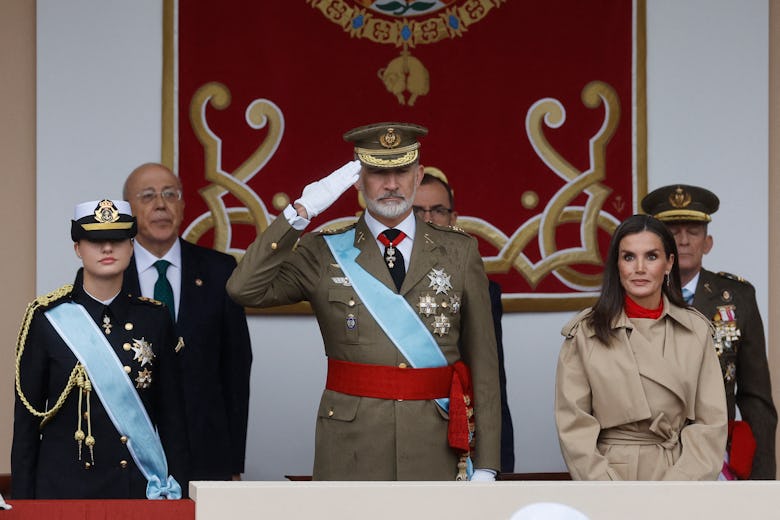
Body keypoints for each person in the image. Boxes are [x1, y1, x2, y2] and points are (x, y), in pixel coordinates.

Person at [226, 122, 501, 480]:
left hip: (435, 445)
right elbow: (243, 289)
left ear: (418, 175)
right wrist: (300, 214)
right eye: (377, 172)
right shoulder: (323, 251)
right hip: (351, 447)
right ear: (357, 179)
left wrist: (489, 464)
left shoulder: (459, 251)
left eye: (401, 170)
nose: (390, 184)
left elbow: (484, 367)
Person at [12, 199, 187, 499]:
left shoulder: (155, 318)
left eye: (118, 239)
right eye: (95, 240)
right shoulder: (45, 319)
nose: (107, 248)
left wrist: (179, 498)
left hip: (134, 489)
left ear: (131, 247)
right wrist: (25, 505)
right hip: (63, 493)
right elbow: (26, 427)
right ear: (78, 248)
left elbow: (173, 420)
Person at [555, 214, 727, 480]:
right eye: (629, 257)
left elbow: (710, 424)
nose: (639, 268)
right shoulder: (586, 332)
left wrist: (676, 490)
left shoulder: (696, 331)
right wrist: (609, 491)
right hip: (610, 478)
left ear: (669, 263)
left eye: (651, 256)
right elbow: (574, 425)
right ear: (617, 264)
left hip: (680, 474)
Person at [122, 163, 253, 481]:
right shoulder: (110, 274)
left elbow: (236, 371)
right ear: (128, 209)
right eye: (148, 196)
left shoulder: (220, 270)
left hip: (206, 453)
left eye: (170, 194)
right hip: (127, 455)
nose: (161, 205)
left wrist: (234, 461)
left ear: (182, 206)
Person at [642, 184, 777, 479]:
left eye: (693, 231)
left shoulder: (737, 297)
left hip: (716, 458)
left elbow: (756, 399)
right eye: (673, 232)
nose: (684, 241)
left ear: (708, 242)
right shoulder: (636, 295)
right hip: (649, 459)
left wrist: (763, 482)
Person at [413, 172, 515, 474]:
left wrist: (495, 461)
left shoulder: (482, 289)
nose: (428, 218)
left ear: (453, 217)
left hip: (459, 427)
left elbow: (491, 380)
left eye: (438, 210)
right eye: (418, 211)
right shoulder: (381, 283)